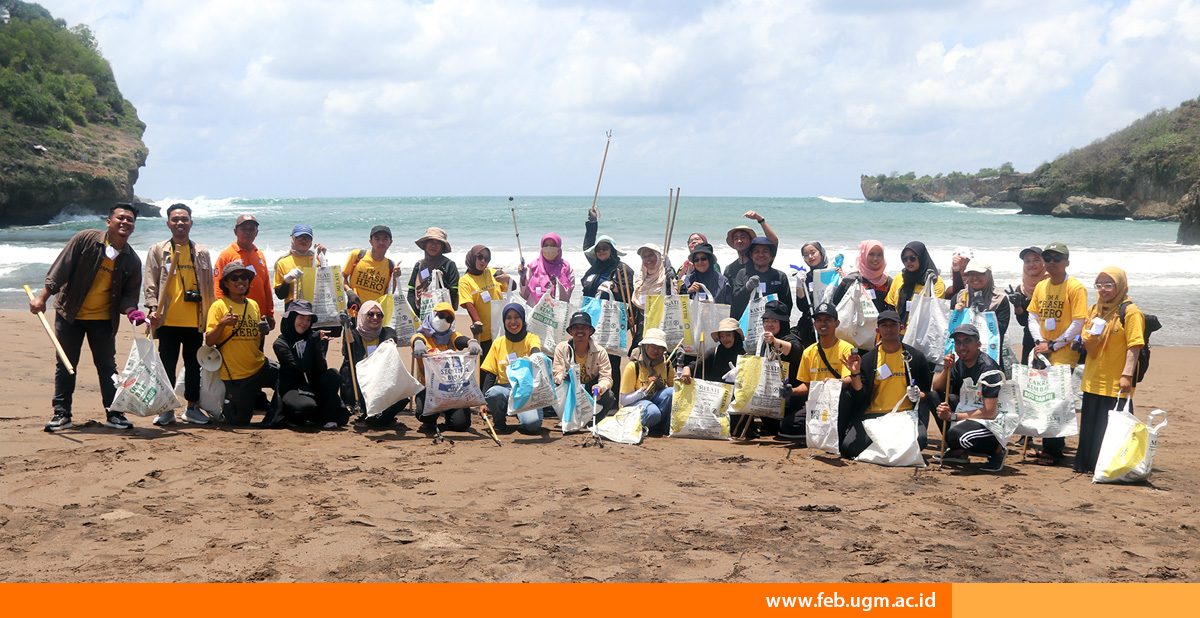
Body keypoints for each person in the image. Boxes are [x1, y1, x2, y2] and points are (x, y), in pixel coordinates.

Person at [34, 203, 145, 432]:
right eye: (120, 218)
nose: (125, 222)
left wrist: (132, 312)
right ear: (108, 222)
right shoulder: (85, 240)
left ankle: (114, 413)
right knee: (66, 364)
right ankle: (61, 414)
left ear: (133, 228)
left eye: (130, 220)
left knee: (107, 367)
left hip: (103, 320)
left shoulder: (132, 261)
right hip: (70, 314)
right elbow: (60, 269)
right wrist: (42, 297)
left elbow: (129, 296)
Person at [143, 203, 215, 426]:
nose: (180, 223)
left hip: (194, 320)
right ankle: (166, 409)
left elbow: (209, 287)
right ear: (168, 223)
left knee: (194, 366)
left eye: (184, 219)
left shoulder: (201, 252)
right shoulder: (157, 250)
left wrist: (210, 320)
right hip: (167, 320)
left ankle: (191, 408)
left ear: (191, 223)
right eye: (175, 219)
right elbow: (150, 282)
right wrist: (152, 308)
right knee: (166, 365)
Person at [1076, 267, 1145, 475]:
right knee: (1090, 426)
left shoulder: (1131, 312)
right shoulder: (1094, 309)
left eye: (1109, 285)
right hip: (1092, 378)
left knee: (1112, 429)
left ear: (1120, 286)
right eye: (1099, 285)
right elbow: (1086, 344)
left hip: (1116, 381)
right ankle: (1087, 465)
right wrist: (1091, 338)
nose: (1103, 290)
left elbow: (1135, 346)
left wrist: (1127, 375)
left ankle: (1110, 466)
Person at [1026, 242, 1088, 465]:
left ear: (1067, 262)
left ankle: (1052, 451)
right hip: (1043, 349)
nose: (1051, 262)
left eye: (1057, 258)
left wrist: (1054, 345)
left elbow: (1078, 322)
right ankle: (1051, 444)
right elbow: (1032, 316)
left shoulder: (1075, 287)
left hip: (1063, 352)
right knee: (1042, 398)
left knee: (1056, 401)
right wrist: (1039, 342)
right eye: (1048, 258)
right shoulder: (1042, 286)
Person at [841, 310, 934, 458]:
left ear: (901, 328)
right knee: (848, 448)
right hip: (874, 416)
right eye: (884, 325)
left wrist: (918, 395)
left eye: (893, 325)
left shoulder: (915, 357)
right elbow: (859, 396)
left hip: (904, 416)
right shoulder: (868, 359)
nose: (889, 329)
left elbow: (926, 394)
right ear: (878, 330)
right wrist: (855, 374)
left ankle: (885, 447)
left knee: (920, 441)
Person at [206, 260, 276, 425]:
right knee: (240, 420)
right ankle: (230, 403)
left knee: (287, 377)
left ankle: (274, 415)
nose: (240, 281)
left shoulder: (253, 305)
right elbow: (209, 341)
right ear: (225, 284)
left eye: (244, 277)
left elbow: (255, 339)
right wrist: (222, 324)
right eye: (234, 278)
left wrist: (264, 332)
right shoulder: (218, 306)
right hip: (236, 375)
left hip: (259, 367)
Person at [931, 324, 1009, 472]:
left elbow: (990, 412)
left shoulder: (988, 369)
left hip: (991, 420)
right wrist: (946, 368)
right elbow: (937, 388)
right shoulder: (960, 362)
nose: (962, 347)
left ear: (978, 344)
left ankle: (997, 450)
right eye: (958, 342)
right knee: (933, 398)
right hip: (970, 408)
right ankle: (958, 451)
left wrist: (952, 416)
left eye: (967, 341)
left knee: (956, 436)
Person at [581, 208, 637, 392]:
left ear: (612, 250)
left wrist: (613, 287)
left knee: (611, 358)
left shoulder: (622, 268)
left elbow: (629, 294)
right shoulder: (595, 267)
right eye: (599, 249)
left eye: (605, 248)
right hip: (592, 317)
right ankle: (594, 394)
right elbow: (586, 247)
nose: (601, 251)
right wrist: (592, 224)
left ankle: (611, 399)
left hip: (612, 321)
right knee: (592, 356)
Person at [793, 302, 862, 445]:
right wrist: (790, 391)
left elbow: (849, 379)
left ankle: (840, 428)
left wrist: (835, 383)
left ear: (836, 323)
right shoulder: (808, 352)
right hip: (817, 404)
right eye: (819, 320)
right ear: (814, 324)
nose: (823, 324)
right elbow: (807, 385)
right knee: (788, 425)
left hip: (838, 403)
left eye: (827, 320)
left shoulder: (846, 348)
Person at [272, 300, 345, 429]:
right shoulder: (280, 344)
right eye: (301, 318)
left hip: (312, 383)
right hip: (293, 386)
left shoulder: (311, 337)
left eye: (308, 319)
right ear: (292, 318)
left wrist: (317, 348)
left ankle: (324, 417)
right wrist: (311, 342)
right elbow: (302, 368)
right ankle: (293, 415)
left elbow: (321, 369)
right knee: (306, 407)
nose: (304, 323)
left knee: (333, 375)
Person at [411, 301, 481, 432]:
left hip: (451, 389)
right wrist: (418, 345)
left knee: (461, 424)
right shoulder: (422, 336)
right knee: (423, 414)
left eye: (448, 319)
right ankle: (431, 418)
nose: (444, 320)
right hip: (430, 389)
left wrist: (470, 342)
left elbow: (460, 339)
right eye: (441, 316)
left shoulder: (450, 336)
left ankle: (448, 417)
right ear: (433, 315)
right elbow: (416, 339)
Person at [340, 299, 408, 428]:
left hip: (381, 381)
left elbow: (391, 339)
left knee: (402, 399)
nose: (375, 318)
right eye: (370, 314)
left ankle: (378, 418)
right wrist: (346, 327)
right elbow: (350, 345)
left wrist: (390, 344)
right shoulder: (354, 334)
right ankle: (374, 417)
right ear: (363, 315)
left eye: (379, 315)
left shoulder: (387, 331)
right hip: (361, 383)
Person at [480, 303, 545, 434]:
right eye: (508, 318)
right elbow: (490, 374)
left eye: (517, 317)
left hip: (526, 390)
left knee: (531, 425)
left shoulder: (531, 338)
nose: (513, 322)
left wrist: (535, 354)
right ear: (504, 321)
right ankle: (499, 421)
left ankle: (521, 413)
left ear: (523, 319)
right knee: (493, 393)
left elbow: (535, 348)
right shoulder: (498, 343)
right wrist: (482, 402)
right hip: (505, 389)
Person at [745, 300, 804, 439]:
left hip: (790, 394)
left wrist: (775, 342)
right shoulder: (764, 343)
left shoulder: (790, 338)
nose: (769, 324)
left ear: (782, 322)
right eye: (766, 320)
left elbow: (795, 350)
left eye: (774, 321)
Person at [213, 214, 275, 331]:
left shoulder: (259, 255)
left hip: (258, 315)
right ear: (235, 231)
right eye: (243, 229)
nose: (248, 232)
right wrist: (223, 312)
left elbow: (266, 284)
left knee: (257, 348)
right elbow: (218, 285)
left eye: (251, 229)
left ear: (256, 232)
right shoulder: (227, 255)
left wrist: (269, 312)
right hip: (235, 315)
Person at [552, 312, 618, 420]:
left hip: (589, 390)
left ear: (590, 331)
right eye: (576, 327)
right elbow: (557, 374)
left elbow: (607, 377)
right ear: (570, 331)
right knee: (555, 389)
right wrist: (564, 379)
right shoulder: (562, 348)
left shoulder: (600, 351)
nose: (580, 331)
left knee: (609, 396)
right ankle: (568, 419)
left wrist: (600, 387)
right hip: (569, 389)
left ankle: (594, 421)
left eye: (584, 327)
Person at [458, 245, 512, 359]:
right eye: (480, 257)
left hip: (501, 329)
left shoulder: (493, 273)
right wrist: (477, 321)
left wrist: (508, 279)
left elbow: (512, 287)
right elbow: (468, 303)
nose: (483, 261)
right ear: (472, 257)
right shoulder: (465, 280)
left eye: (486, 259)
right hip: (483, 332)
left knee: (503, 365)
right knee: (485, 370)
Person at [618, 328, 675, 435]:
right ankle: (643, 425)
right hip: (636, 405)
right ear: (644, 346)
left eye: (660, 348)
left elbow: (675, 388)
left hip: (655, 403)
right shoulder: (633, 366)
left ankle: (659, 425)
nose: (656, 351)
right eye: (653, 346)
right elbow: (624, 400)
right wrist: (644, 389)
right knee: (653, 412)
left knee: (671, 392)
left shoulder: (665, 364)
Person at [885, 241, 946, 331]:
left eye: (912, 258)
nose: (908, 262)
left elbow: (935, 312)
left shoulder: (934, 281)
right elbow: (891, 306)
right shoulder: (899, 278)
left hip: (921, 333)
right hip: (899, 332)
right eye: (905, 259)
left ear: (921, 257)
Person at [729, 237, 794, 320]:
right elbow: (735, 301)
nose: (761, 255)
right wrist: (747, 288)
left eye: (765, 251)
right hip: (747, 323)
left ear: (771, 256)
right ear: (751, 255)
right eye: (757, 251)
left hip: (771, 324)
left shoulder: (780, 276)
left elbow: (787, 305)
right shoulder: (743, 273)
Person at [953, 258, 1011, 349]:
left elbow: (1001, 329)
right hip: (962, 352)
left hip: (990, 351)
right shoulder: (959, 297)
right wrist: (955, 314)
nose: (975, 278)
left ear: (988, 275)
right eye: (971, 274)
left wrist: (983, 314)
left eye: (980, 274)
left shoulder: (999, 299)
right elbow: (949, 329)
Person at [344, 225, 402, 310]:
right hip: (354, 310)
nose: (381, 242)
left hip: (375, 315)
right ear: (371, 241)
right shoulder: (357, 255)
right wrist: (349, 291)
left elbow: (387, 295)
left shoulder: (391, 265)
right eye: (377, 239)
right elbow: (343, 276)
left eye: (385, 239)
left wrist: (395, 278)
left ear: (390, 242)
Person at [1005, 246, 1049, 360]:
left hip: (1053, 339)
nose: (1031, 264)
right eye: (1027, 261)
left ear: (1044, 262)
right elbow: (1024, 322)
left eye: (1036, 260)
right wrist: (1017, 305)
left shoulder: (1053, 284)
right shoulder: (1021, 289)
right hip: (1030, 338)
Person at [407, 226, 459, 312]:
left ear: (442, 247)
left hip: (441, 315)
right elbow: (411, 291)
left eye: (438, 243)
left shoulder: (449, 266)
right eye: (431, 242)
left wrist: (442, 281)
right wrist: (415, 313)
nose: (434, 246)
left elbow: (454, 294)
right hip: (419, 313)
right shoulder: (419, 266)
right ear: (425, 245)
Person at [273, 223, 328, 305]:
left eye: (307, 238)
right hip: (293, 306)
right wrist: (287, 280)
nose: (304, 241)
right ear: (293, 238)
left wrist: (323, 259)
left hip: (315, 304)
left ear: (311, 241)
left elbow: (325, 286)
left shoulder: (316, 260)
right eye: (300, 237)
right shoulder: (282, 262)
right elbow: (280, 295)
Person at [831, 239, 891, 313]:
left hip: (880, 323)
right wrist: (844, 283)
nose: (875, 259)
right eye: (871, 254)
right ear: (864, 255)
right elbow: (836, 301)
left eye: (879, 255)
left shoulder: (887, 281)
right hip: (857, 323)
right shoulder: (854, 278)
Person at [722, 211, 778, 283]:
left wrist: (760, 220)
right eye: (736, 238)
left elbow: (774, 242)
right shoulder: (729, 269)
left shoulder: (760, 261)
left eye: (743, 237)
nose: (739, 241)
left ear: (751, 240)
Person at [521, 233, 573, 304]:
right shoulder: (534, 266)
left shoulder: (565, 267)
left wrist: (556, 285)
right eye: (546, 245)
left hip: (556, 310)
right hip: (534, 311)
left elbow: (567, 296)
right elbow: (525, 295)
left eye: (553, 245)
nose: (549, 248)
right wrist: (523, 278)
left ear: (559, 247)